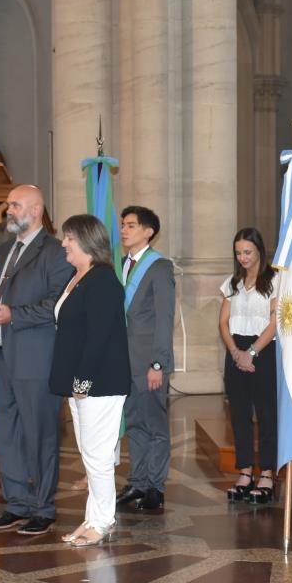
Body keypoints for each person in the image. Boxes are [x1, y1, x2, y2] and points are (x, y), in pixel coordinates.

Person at [0, 184, 73, 536]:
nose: (8, 211)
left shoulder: (55, 251)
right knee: (7, 435)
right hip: (0, 357)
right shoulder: (3, 251)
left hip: (36, 359)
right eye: (8, 205)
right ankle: (16, 503)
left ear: (35, 210)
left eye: (14, 205)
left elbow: (56, 305)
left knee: (40, 436)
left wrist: (13, 315)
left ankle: (43, 507)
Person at [50, 214, 131, 547]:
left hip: (99, 383)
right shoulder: (77, 276)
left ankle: (103, 521)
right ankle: (92, 518)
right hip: (80, 384)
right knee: (90, 454)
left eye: (69, 237)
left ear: (87, 240)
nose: (64, 243)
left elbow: (98, 338)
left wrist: (82, 383)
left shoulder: (103, 280)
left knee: (97, 456)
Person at [115, 206, 176, 511]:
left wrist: (158, 365)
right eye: (123, 225)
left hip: (149, 363)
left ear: (148, 231)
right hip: (125, 360)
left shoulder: (160, 266)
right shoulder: (123, 264)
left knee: (155, 426)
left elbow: (165, 320)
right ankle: (137, 483)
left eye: (130, 225)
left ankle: (155, 487)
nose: (124, 230)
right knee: (135, 425)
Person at [219, 228, 278, 503]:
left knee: (266, 413)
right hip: (236, 350)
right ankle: (245, 471)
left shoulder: (275, 280)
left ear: (259, 251)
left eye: (247, 252)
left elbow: (275, 322)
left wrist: (252, 352)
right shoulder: (233, 282)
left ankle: (266, 473)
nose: (242, 257)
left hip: (263, 349)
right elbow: (223, 321)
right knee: (239, 414)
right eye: (238, 253)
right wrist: (235, 351)